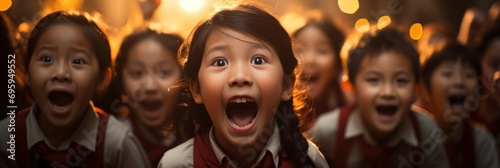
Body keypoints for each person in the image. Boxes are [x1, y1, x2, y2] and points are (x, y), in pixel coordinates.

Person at [158, 3, 328, 168]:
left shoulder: (309, 160)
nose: (239, 77)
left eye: (258, 60)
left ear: (286, 86)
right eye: (220, 62)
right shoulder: (175, 164)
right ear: (197, 89)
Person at [0, 10, 150, 167]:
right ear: (28, 72)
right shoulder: (5, 138)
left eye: (78, 61)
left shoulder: (117, 144)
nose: (61, 73)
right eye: (47, 59)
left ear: (102, 79)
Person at [309, 26, 450, 168]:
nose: (388, 92)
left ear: (416, 90)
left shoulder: (425, 131)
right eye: (373, 80)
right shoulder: (328, 131)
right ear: (350, 88)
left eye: (401, 81)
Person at [98, 28, 194, 167]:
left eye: (164, 73)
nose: (149, 87)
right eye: (137, 73)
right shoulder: (110, 140)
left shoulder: (199, 135)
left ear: (184, 79)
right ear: (120, 80)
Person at [417, 40, 499, 168]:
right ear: (426, 90)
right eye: (447, 74)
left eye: (468, 75)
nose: (459, 82)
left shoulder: (482, 142)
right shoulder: (412, 136)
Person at [292, 11, 348, 118]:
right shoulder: (275, 112)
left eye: (322, 51)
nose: (309, 59)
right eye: (300, 50)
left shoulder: (352, 110)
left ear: (337, 65)